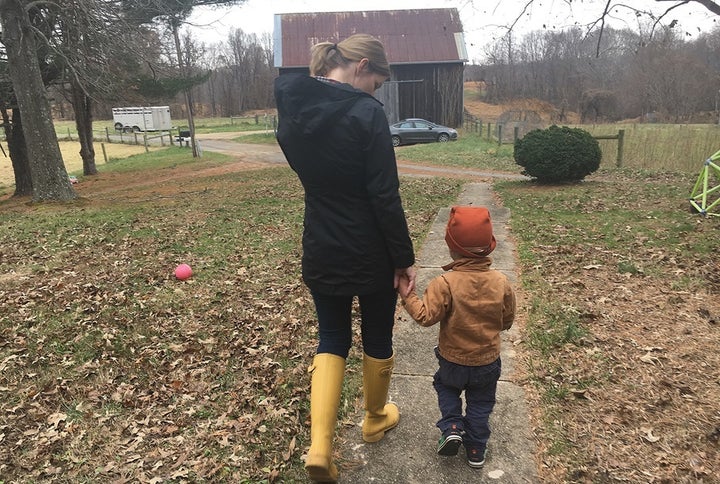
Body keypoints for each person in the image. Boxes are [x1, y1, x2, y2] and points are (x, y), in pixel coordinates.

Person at [274, 34, 416, 483]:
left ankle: (319, 448)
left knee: (331, 336)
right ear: (361, 66)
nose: (376, 91)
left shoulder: (294, 109)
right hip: (370, 246)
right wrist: (403, 258)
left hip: (321, 240)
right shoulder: (366, 112)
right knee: (376, 333)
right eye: (376, 81)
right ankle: (375, 418)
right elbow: (383, 194)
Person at [398, 206, 515, 469]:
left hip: (453, 360)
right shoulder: (501, 282)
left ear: (452, 248)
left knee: (446, 387)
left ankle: (451, 426)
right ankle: (476, 449)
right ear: (490, 247)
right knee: (481, 403)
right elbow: (507, 319)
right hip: (487, 362)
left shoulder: (445, 282)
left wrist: (408, 295)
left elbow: (426, 316)